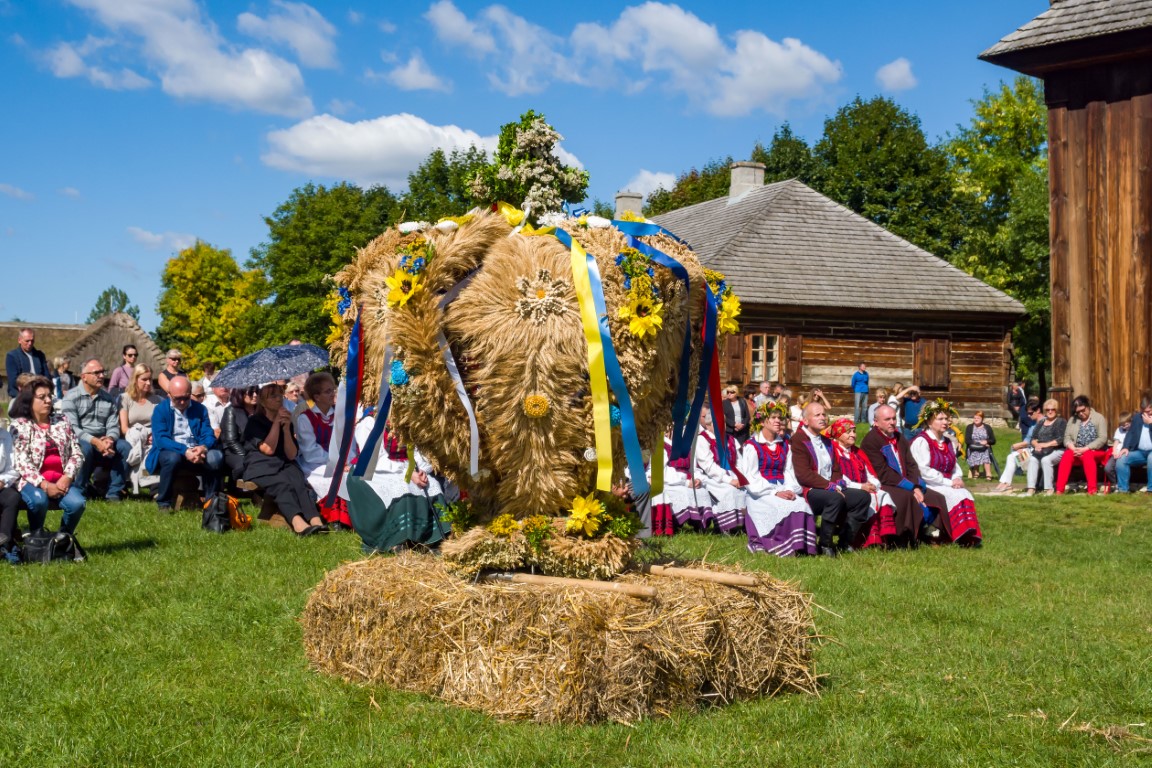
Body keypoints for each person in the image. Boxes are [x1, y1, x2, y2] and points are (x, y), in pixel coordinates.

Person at [9, 377, 87, 560]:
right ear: (29, 401)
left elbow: (77, 452)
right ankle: (37, 539)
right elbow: (21, 461)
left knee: (77, 504)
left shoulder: (62, 420)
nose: (48, 400)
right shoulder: (19, 425)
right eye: (41, 397)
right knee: (38, 501)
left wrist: (67, 477)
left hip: (61, 479)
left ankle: (62, 539)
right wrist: (44, 484)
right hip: (32, 481)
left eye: (49, 396)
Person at [344, 412, 447, 549]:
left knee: (431, 484)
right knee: (401, 486)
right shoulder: (369, 423)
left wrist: (420, 470)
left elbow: (416, 453)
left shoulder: (406, 421)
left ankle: (434, 535)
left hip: (404, 468)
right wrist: (408, 473)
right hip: (371, 471)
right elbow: (375, 459)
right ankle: (397, 539)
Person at [242, 383, 326, 536]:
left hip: (284, 462)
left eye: (279, 395)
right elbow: (268, 449)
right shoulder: (255, 421)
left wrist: (286, 429)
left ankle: (315, 519)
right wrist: (276, 423)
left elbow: (291, 454)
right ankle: (297, 522)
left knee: (299, 482)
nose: (278, 399)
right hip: (261, 465)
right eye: (272, 396)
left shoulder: (287, 419)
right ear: (263, 402)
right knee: (282, 484)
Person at [791, 402, 872, 556]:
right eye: (817, 415)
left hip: (830, 488)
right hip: (809, 489)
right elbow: (803, 474)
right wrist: (830, 486)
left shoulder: (826, 441)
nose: (822, 417)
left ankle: (845, 541)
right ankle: (825, 544)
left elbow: (835, 469)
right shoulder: (799, 440)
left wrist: (837, 484)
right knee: (834, 498)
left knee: (862, 497)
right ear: (805, 420)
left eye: (824, 414)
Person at [738, 402, 816, 556]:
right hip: (760, 492)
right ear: (762, 422)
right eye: (772, 417)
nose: (777, 421)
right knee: (780, 505)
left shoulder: (785, 444)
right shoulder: (752, 446)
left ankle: (799, 545)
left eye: (779, 418)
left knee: (801, 504)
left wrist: (789, 489)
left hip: (782, 486)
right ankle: (779, 544)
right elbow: (751, 477)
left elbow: (788, 470)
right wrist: (774, 492)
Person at [861, 404, 942, 546]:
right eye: (887, 419)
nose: (892, 422)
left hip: (905, 481)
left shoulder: (900, 437)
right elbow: (883, 473)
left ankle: (932, 535)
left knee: (936, 497)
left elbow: (911, 464)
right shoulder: (871, 440)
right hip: (884, 483)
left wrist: (917, 485)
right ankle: (903, 538)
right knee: (906, 497)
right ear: (876, 422)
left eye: (894, 418)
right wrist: (911, 487)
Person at [909, 400, 983, 546]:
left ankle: (967, 535)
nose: (946, 422)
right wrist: (949, 482)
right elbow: (923, 470)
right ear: (929, 421)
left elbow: (954, 465)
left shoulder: (947, 441)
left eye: (947, 419)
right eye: (940, 419)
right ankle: (945, 535)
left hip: (946, 482)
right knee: (953, 495)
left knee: (964, 493)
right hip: (928, 483)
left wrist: (957, 479)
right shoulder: (922, 441)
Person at [145, 376, 222, 512]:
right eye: (177, 398)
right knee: (172, 458)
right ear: (169, 395)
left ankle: (211, 502)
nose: (182, 402)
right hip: (171, 451)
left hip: (197, 450)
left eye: (186, 398)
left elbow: (208, 434)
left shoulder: (200, 409)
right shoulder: (160, 410)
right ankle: (164, 502)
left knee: (215, 457)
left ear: (190, 393)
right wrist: (185, 451)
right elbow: (161, 440)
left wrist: (203, 448)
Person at [59, 357, 131, 501]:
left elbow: (113, 425)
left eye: (102, 372)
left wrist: (110, 439)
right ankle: (79, 490)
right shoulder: (71, 398)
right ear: (84, 377)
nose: (102, 376)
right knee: (84, 447)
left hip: (103, 444)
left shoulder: (108, 398)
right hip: (81, 442)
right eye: (96, 373)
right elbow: (72, 429)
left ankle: (113, 492)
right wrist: (95, 441)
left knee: (125, 447)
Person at [828, 417, 898, 549]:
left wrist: (873, 484)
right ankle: (862, 540)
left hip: (864, 487)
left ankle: (883, 539)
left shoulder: (857, 452)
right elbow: (837, 476)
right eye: (848, 432)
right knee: (866, 498)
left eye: (854, 431)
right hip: (844, 489)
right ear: (838, 434)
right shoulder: (832, 451)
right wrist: (861, 487)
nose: (853, 435)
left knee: (882, 495)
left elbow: (869, 472)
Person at [295, 372, 351, 530]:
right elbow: (310, 451)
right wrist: (337, 462)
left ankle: (351, 516)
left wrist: (347, 460)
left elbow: (348, 443)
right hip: (314, 463)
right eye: (327, 391)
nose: (333, 393)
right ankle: (335, 518)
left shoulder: (340, 416)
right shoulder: (305, 418)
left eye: (332, 389)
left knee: (352, 474)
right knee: (334, 477)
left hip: (340, 460)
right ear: (316, 396)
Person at [693, 410, 747, 533]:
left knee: (747, 491)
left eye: (723, 422)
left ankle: (744, 525)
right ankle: (725, 526)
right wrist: (729, 480)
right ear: (708, 424)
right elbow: (708, 466)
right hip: (712, 477)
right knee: (729, 491)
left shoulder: (731, 439)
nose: (721, 426)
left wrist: (741, 477)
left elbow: (739, 461)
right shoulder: (702, 440)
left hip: (733, 475)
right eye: (717, 423)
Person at [650, 432, 710, 535]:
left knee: (702, 492)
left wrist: (697, 479)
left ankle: (699, 525)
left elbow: (694, 467)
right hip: (669, 481)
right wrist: (686, 482)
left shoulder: (685, 444)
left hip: (687, 480)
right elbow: (662, 472)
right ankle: (677, 523)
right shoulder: (659, 443)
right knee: (683, 493)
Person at [1054, 395, 1110, 495]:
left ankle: (1092, 489)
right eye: (1078, 412)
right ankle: (1059, 489)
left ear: (1088, 406)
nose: (1081, 413)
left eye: (1083, 410)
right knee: (1067, 455)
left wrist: (1086, 448)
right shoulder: (1073, 420)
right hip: (1076, 449)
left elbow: (1102, 438)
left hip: (1095, 450)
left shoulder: (1099, 418)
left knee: (1088, 455)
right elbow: (1066, 437)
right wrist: (1072, 447)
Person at [119, 363, 162, 490]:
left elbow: (159, 424)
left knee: (154, 450)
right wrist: (141, 437)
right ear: (135, 379)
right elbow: (124, 427)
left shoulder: (156, 400)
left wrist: (153, 436)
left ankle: (154, 487)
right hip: (133, 436)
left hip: (151, 436)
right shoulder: (125, 399)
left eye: (150, 379)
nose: (148, 383)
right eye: (144, 379)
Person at [994, 400, 1042, 493]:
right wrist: (1022, 448)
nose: (1028, 415)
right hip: (1030, 451)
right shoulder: (1033, 424)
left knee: (1014, 456)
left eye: (1031, 413)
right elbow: (1028, 440)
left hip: (1037, 453)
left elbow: (1036, 441)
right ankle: (1005, 482)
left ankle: (1005, 483)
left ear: (1038, 410)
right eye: (1028, 413)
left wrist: (1023, 447)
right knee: (1012, 456)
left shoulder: (1043, 423)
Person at [220, 386, 260, 492]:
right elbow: (231, 441)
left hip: (256, 449)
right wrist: (247, 456)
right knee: (246, 464)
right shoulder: (231, 410)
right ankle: (234, 488)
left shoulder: (261, 410)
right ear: (240, 394)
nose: (255, 395)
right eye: (251, 392)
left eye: (257, 392)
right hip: (235, 451)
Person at [1024, 399, 1067, 496]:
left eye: (1053, 409)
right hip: (1041, 450)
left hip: (1057, 449)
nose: (1050, 411)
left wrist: (1045, 445)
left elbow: (1061, 439)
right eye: (1047, 410)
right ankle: (1031, 488)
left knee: (1046, 460)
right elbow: (1033, 438)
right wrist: (1036, 445)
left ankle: (1049, 489)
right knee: (1032, 459)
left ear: (1057, 410)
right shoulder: (1041, 422)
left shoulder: (1061, 422)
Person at [1115, 394, 1152, 494]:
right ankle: (1123, 490)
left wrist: (1150, 423)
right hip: (1139, 452)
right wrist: (1125, 447)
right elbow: (1130, 433)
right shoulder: (1137, 418)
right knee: (1122, 459)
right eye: (1144, 412)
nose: (1146, 414)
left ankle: (1150, 490)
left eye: (1149, 411)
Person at [6, 328, 50, 397]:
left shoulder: (40, 355)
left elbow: (46, 376)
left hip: (40, 393)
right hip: (20, 395)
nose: (30, 343)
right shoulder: (12, 356)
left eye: (32, 341)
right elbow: (13, 381)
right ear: (19, 340)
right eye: (27, 341)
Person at [0, 428, 22, 563]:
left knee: (12, 497)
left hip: (1, 483)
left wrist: (2, 481)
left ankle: (5, 542)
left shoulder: (4, 436)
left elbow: (13, 468)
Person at [1103, 411, 1133, 494]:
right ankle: (1116, 484)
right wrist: (1114, 452)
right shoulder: (1119, 430)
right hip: (1117, 453)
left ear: (1130, 422)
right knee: (1108, 468)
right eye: (1122, 425)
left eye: (1126, 424)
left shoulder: (1133, 430)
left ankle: (1123, 485)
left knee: (1119, 467)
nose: (1124, 427)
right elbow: (1116, 442)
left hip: (1125, 453)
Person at [964, 411, 996, 480]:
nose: (976, 419)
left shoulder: (987, 427)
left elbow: (993, 440)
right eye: (975, 418)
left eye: (978, 418)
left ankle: (988, 473)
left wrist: (986, 441)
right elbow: (967, 440)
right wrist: (976, 443)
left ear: (982, 419)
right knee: (975, 452)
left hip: (985, 447)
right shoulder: (969, 427)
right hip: (973, 447)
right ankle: (976, 472)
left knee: (986, 452)